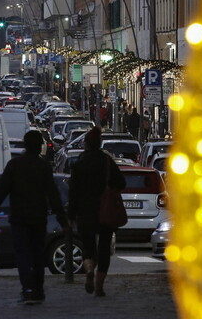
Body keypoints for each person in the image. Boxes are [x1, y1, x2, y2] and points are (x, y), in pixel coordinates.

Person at [0, 130, 69, 305]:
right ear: (39, 147)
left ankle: (27, 288)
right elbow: (53, 194)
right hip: (38, 216)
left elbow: (0, 193)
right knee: (37, 254)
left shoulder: (14, 165)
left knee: (22, 254)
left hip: (19, 216)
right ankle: (38, 289)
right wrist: (61, 218)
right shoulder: (43, 166)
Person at [68, 126, 126, 297]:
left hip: (85, 211)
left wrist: (71, 214)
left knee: (88, 246)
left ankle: (88, 271)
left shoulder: (79, 162)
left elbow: (73, 191)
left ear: (86, 144)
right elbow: (121, 183)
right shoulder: (106, 161)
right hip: (105, 209)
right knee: (104, 248)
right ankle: (99, 286)